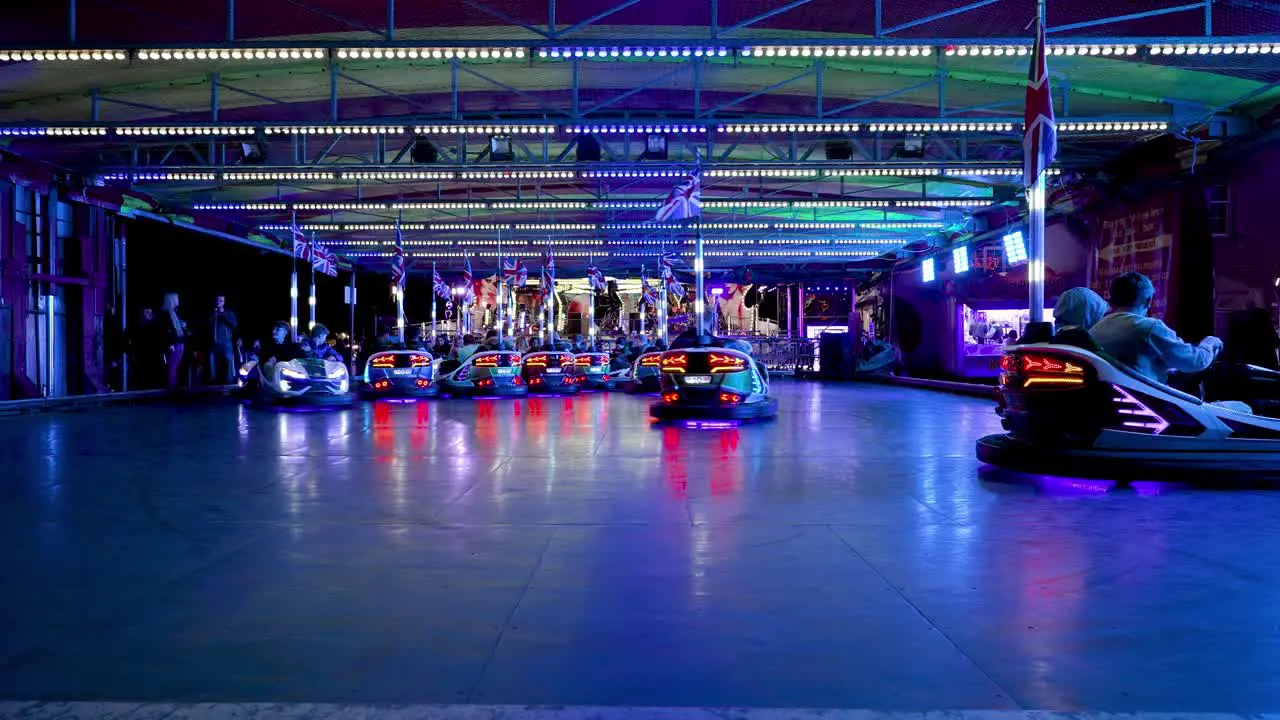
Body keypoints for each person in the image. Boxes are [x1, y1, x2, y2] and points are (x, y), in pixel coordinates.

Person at [1090, 272, 1223, 385]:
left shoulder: (1095, 330)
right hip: (1149, 403)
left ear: (1112, 299)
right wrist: (1209, 343)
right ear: (1148, 300)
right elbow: (1195, 362)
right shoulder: (1149, 327)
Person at [207, 294, 238, 385]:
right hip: (213, 345)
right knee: (212, 368)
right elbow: (206, 327)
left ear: (224, 302)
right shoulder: (212, 314)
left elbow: (235, 325)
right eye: (217, 300)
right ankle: (214, 386)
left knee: (228, 367)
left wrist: (224, 316)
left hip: (226, 344)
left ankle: (228, 386)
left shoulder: (229, 313)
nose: (218, 303)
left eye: (221, 301)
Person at [160, 293, 188, 389]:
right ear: (172, 300)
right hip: (173, 343)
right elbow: (164, 330)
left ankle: (174, 386)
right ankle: (172, 387)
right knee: (172, 366)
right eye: (177, 298)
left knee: (176, 366)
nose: (178, 300)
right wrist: (169, 343)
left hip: (179, 341)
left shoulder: (175, 312)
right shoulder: (166, 314)